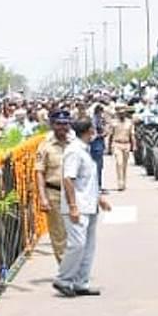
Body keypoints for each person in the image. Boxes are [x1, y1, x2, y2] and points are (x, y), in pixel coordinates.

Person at [53, 118, 111, 297]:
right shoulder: (74, 151)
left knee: (88, 247)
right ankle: (63, 279)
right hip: (77, 206)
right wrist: (72, 206)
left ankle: (80, 283)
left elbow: (88, 181)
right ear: (88, 131)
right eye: (92, 130)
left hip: (89, 204)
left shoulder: (85, 151)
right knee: (77, 245)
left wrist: (99, 198)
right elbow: (68, 179)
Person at [35, 109, 73, 263]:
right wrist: (43, 198)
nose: (63, 127)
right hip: (54, 194)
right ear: (52, 125)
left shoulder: (75, 145)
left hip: (74, 194)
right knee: (59, 236)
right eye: (59, 124)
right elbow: (39, 173)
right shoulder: (45, 147)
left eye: (65, 123)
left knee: (77, 234)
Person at [108, 106, 134, 191]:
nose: (121, 115)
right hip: (117, 144)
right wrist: (109, 147)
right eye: (120, 113)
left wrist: (134, 145)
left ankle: (124, 182)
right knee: (119, 163)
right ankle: (120, 183)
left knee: (124, 165)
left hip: (126, 144)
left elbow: (132, 135)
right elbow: (111, 135)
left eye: (123, 113)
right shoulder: (114, 123)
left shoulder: (129, 123)